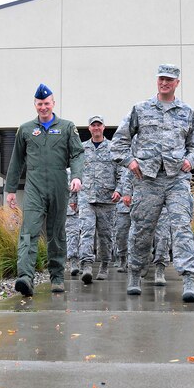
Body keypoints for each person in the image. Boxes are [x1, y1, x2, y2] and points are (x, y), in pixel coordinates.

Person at [110, 64, 194, 301]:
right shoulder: (140, 109)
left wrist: (191, 160)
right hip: (147, 180)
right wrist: (130, 162)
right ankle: (135, 274)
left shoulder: (187, 112)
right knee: (142, 230)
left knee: (182, 227)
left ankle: (189, 280)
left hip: (177, 180)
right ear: (156, 81)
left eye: (169, 80)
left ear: (177, 83)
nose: (165, 83)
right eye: (161, 79)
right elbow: (118, 143)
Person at [5, 84, 84, 296]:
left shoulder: (67, 127)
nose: (43, 107)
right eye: (39, 104)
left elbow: (77, 154)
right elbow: (16, 160)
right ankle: (25, 277)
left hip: (59, 184)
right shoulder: (26, 129)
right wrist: (11, 189)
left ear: (53, 104)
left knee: (56, 233)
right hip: (34, 186)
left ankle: (57, 277)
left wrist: (76, 176)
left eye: (46, 103)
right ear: (35, 104)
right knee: (29, 231)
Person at [78, 115, 122, 283]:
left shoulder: (113, 148)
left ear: (104, 127)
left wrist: (119, 190)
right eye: (93, 125)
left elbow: (121, 172)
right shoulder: (81, 149)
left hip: (107, 199)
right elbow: (76, 174)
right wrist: (74, 197)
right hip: (86, 197)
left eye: (99, 125)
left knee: (105, 236)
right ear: (89, 128)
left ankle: (104, 264)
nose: (96, 128)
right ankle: (87, 265)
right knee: (86, 232)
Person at [66, 170, 81, 276]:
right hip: (73, 210)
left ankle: (86, 263)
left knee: (86, 237)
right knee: (73, 235)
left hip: (91, 206)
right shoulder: (69, 171)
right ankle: (74, 262)